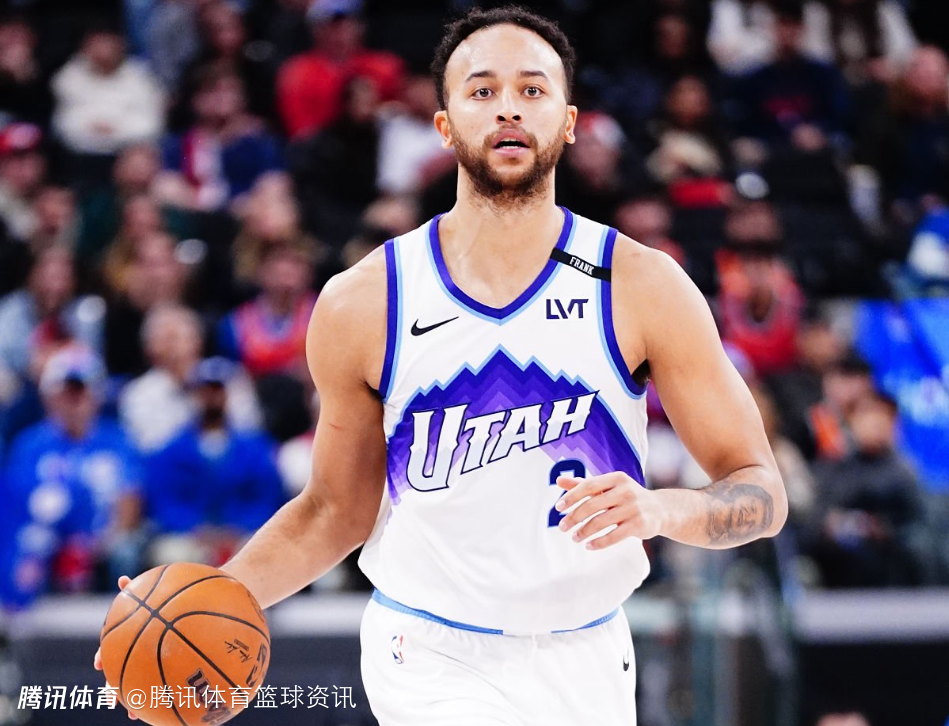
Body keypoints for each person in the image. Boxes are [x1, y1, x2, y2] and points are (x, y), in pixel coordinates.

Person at [96, 7, 787, 724]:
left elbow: (761, 492)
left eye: (532, 89)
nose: (508, 108)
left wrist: (662, 509)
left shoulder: (640, 285)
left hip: (588, 654)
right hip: (427, 652)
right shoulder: (367, 300)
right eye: (482, 91)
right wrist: (196, 606)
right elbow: (335, 510)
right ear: (444, 125)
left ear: (569, 122)